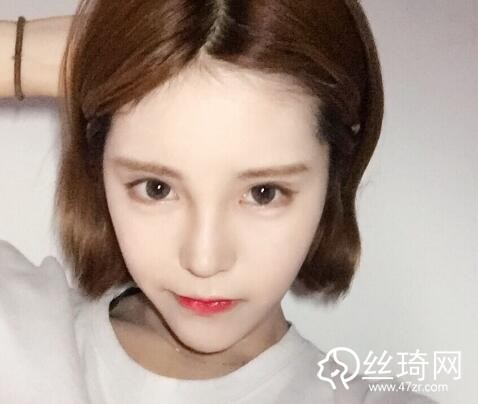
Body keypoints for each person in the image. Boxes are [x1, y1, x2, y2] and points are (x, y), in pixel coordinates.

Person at [0, 1, 438, 403]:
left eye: (263, 193)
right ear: (98, 166)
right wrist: (68, 55)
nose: (204, 261)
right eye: (156, 188)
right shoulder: (22, 334)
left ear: (334, 173)